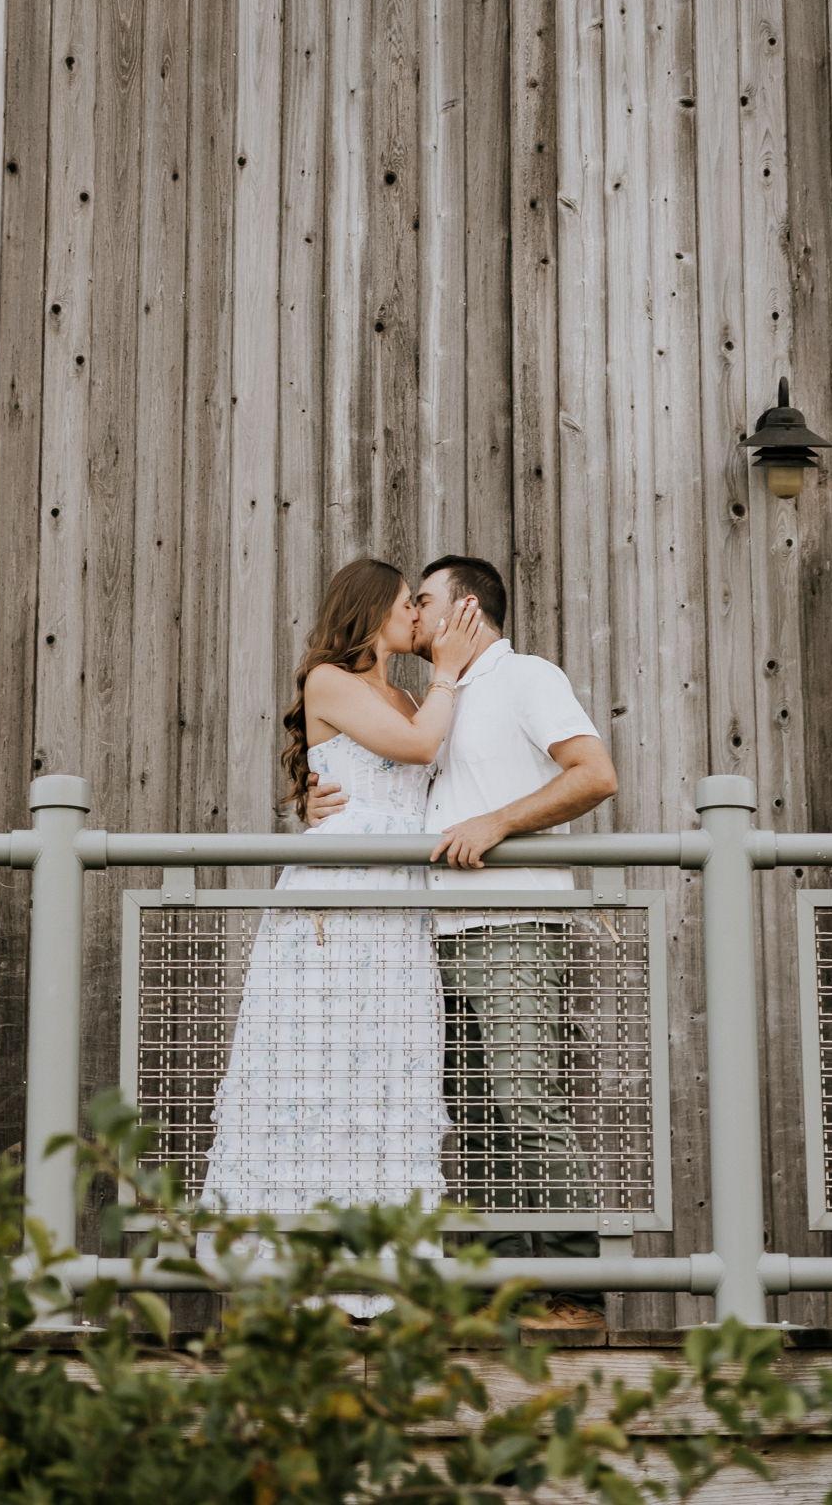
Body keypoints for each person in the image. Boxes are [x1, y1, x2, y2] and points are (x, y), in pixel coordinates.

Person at [304, 553, 620, 1328]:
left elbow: (594, 774)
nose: (414, 612)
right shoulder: (434, 701)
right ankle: (501, 1292)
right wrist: (319, 800)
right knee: (476, 1118)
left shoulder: (526, 678)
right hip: (433, 932)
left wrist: (499, 822)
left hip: (512, 924)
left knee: (526, 1100)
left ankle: (576, 1291)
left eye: (426, 599)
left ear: (467, 610)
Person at [199, 556, 493, 1305]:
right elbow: (417, 748)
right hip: (338, 897)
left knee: (385, 1072)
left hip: (400, 903)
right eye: (406, 603)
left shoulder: (408, 694)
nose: (417, 615)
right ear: (371, 610)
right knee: (315, 1068)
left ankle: (379, 1273)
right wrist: (449, 673)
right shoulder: (329, 680)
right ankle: (290, 1272)